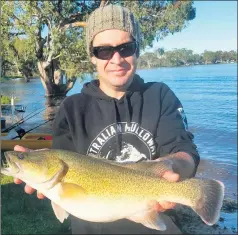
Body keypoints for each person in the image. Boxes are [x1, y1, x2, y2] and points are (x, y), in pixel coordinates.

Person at [14, 4, 200, 234]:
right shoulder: (71, 108)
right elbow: (62, 173)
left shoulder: (160, 96)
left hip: (149, 219)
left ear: (137, 50)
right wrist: (42, 181)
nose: (116, 59)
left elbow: (185, 150)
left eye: (126, 48)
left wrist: (172, 166)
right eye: (104, 50)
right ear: (92, 56)